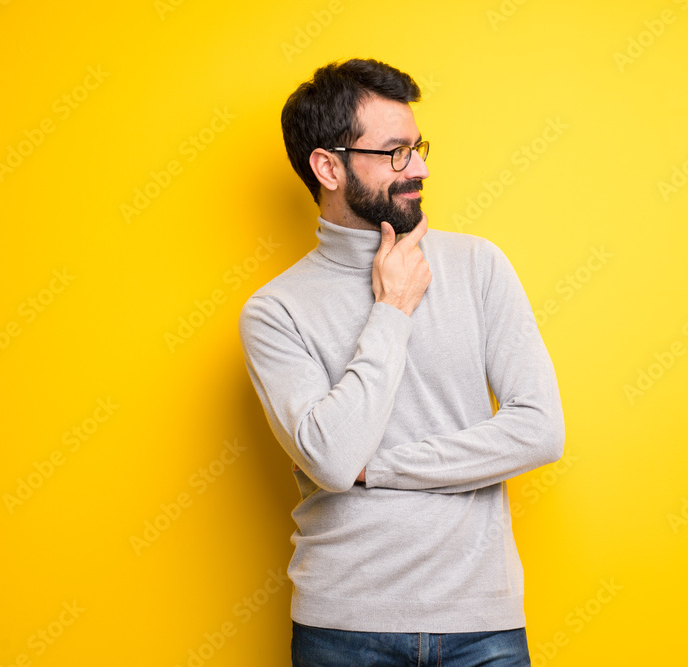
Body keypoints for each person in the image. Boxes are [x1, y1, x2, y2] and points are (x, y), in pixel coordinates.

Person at [238, 57, 566, 666]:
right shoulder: (274, 311)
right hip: (344, 628)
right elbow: (334, 458)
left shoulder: (477, 266)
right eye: (395, 153)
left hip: (482, 623)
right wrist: (391, 309)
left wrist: (381, 469)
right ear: (328, 166)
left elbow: (540, 431)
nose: (419, 168)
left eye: (417, 147)